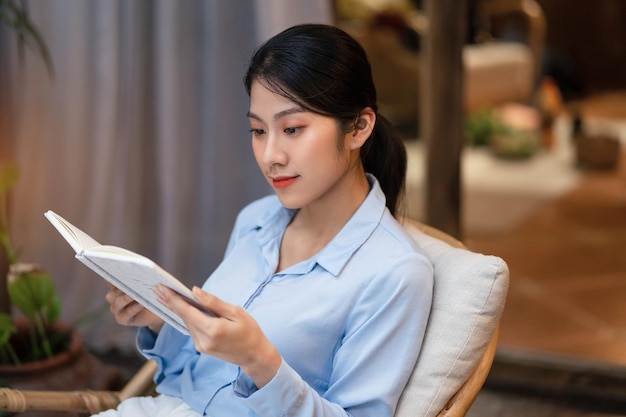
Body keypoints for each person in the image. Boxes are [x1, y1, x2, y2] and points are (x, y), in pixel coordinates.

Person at [99, 23, 433, 417]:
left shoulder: (395, 274)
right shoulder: (256, 221)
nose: (270, 155)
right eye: (258, 130)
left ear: (359, 127)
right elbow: (193, 382)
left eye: (292, 129)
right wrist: (161, 322)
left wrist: (260, 360)